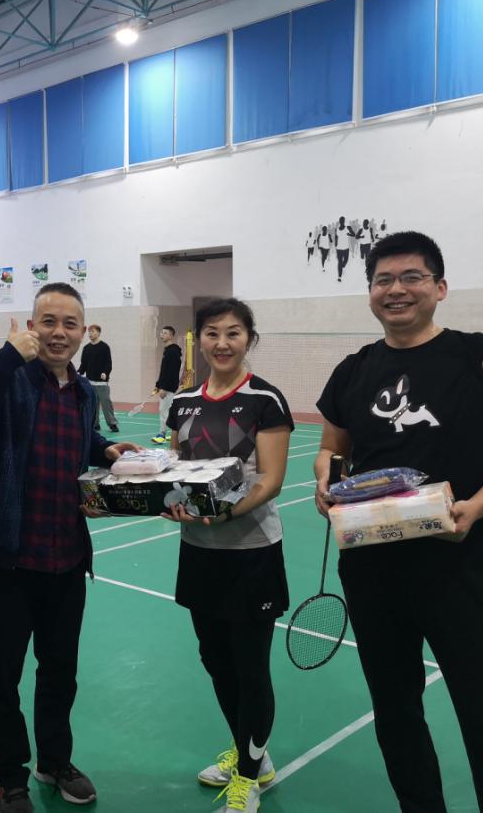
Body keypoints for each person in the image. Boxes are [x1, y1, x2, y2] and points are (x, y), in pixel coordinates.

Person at [313, 231, 483, 813]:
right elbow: (332, 449)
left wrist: (476, 506)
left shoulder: (479, 355)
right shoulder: (352, 370)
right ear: (370, 293)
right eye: (383, 280)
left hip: (463, 566)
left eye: (412, 277)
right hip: (372, 570)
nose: (397, 290)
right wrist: (325, 482)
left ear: (439, 287)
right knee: (395, 714)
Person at [0, 283, 140, 813]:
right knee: (3, 675)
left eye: (69, 324)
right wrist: (7, 355)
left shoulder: (82, 393)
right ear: (32, 326)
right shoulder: (8, 375)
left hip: (66, 556)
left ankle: (54, 761)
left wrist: (106, 449)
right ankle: (8, 776)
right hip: (8, 555)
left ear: (83, 331)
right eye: (49, 322)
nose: (59, 333)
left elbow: (78, 443)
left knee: (60, 671)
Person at [160, 298, 294, 813]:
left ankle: (248, 775)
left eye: (233, 333)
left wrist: (224, 513)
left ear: (248, 339)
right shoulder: (184, 402)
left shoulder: (266, 400)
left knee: (250, 667)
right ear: (200, 340)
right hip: (199, 552)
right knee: (215, 660)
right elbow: (177, 468)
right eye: (212, 333)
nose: (222, 343)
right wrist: (168, 500)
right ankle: (250, 754)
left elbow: (272, 480)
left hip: (251, 552)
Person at [76, 324, 118, 433]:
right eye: (89, 332)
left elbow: (108, 363)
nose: (90, 334)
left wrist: (105, 373)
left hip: (102, 383)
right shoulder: (86, 348)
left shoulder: (104, 347)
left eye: (93, 331)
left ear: (98, 333)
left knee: (106, 404)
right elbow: (83, 364)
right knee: (92, 405)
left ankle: (112, 424)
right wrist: (79, 372)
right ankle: (95, 424)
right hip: (90, 382)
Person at [152, 325, 182, 444]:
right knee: (169, 411)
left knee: (163, 410)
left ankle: (162, 434)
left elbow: (172, 372)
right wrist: (158, 385)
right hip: (166, 386)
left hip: (169, 388)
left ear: (171, 336)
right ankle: (173, 433)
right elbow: (164, 371)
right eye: (161, 333)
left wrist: (165, 388)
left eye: (165, 333)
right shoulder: (168, 350)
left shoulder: (173, 351)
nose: (162, 335)